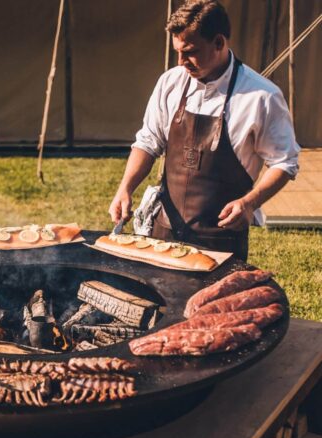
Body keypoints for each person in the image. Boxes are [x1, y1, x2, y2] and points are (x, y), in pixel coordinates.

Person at [108, 0, 299, 260]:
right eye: (178, 51)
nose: (181, 60)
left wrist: (250, 203)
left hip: (220, 242)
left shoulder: (261, 97)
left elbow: (284, 162)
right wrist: (125, 188)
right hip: (164, 232)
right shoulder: (171, 82)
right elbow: (148, 141)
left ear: (219, 43)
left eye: (190, 51)